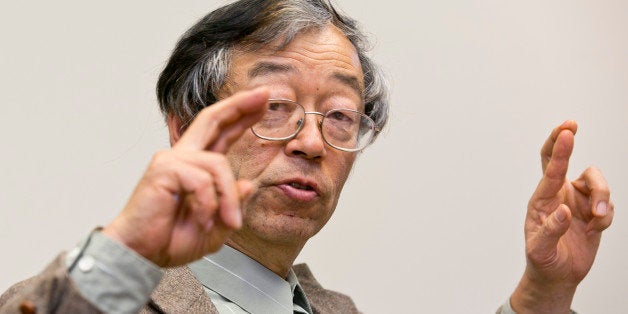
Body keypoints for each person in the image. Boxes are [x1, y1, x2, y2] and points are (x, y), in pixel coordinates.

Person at [0, 0, 614, 313]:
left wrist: (541, 293)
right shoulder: (94, 297)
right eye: (274, 106)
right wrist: (125, 253)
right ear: (186, 125)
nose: (311, 142)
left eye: (340, 116)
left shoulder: (335, 311)